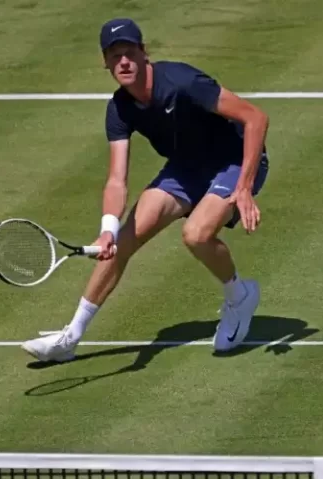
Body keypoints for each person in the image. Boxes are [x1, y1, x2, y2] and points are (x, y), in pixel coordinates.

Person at [21, 17, 270, 362]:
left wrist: (244, 187)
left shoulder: (182, 82)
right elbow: (116, 179)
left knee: (196, 234)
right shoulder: (119, 109)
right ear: (105, 63)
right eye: (114, 55)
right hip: (185, 168)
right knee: (122, 241)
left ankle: (239, 297)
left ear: (143, 53)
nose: (123, 61)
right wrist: (107, 229)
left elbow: (255, 118)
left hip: (233, 161)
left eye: (129, 52)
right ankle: (70, 337)